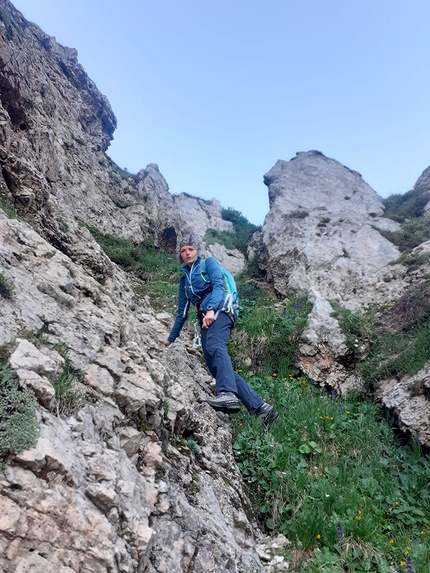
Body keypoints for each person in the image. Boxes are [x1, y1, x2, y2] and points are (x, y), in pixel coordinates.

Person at [158, 235, 278, 426]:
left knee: (215, 347)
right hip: (206, 318)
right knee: (216, 368)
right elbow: (182, 313)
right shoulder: (184, 279)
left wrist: (212, 309)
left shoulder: (209, 263)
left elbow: (219, 286)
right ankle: (261, 409)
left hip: (221, 310)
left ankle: (227, 394)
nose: (187, 253)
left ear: (197, 251)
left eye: (190, 249)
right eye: (183, 250)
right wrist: (170, 339)